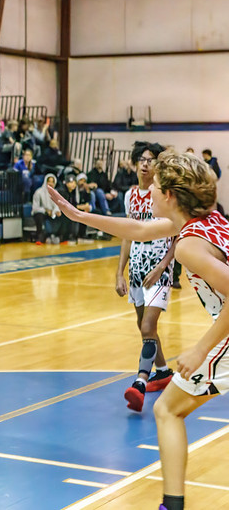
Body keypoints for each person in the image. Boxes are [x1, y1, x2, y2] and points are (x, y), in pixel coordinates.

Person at [47, 150, 228, 510]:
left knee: (167, 410)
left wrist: (199, 349)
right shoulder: (205, 221)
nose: (150, 191)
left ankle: (171, 505)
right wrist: (80, 215)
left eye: (156, 186)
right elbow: (139, 230)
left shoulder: (188, 247)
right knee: (168, 410)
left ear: (170, 195)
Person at [115, 141, 175, 412]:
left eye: (151, 159)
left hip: (158, 269)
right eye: (141, 159)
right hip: (137, 268)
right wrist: (119, 272)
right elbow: (127, 235)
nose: (145, 164)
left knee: (148, 327)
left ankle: (140, 382)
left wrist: (163, 266)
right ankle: (162, 372)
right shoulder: (130, 195)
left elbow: (179, 234)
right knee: (143, 326)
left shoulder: (164, 194)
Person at [31, 174, 62, 244]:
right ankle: (39, 238)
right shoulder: (38, 192)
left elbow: (57, 205)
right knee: (39, 216)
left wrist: (56, 211)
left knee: (62, 215)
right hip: (41, 212)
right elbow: (35, 208)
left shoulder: (56, 193)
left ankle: (59, 237)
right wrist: (46, 210)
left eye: (52, 182)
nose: (50, 183)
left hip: (52, 213)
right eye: (49, 181)